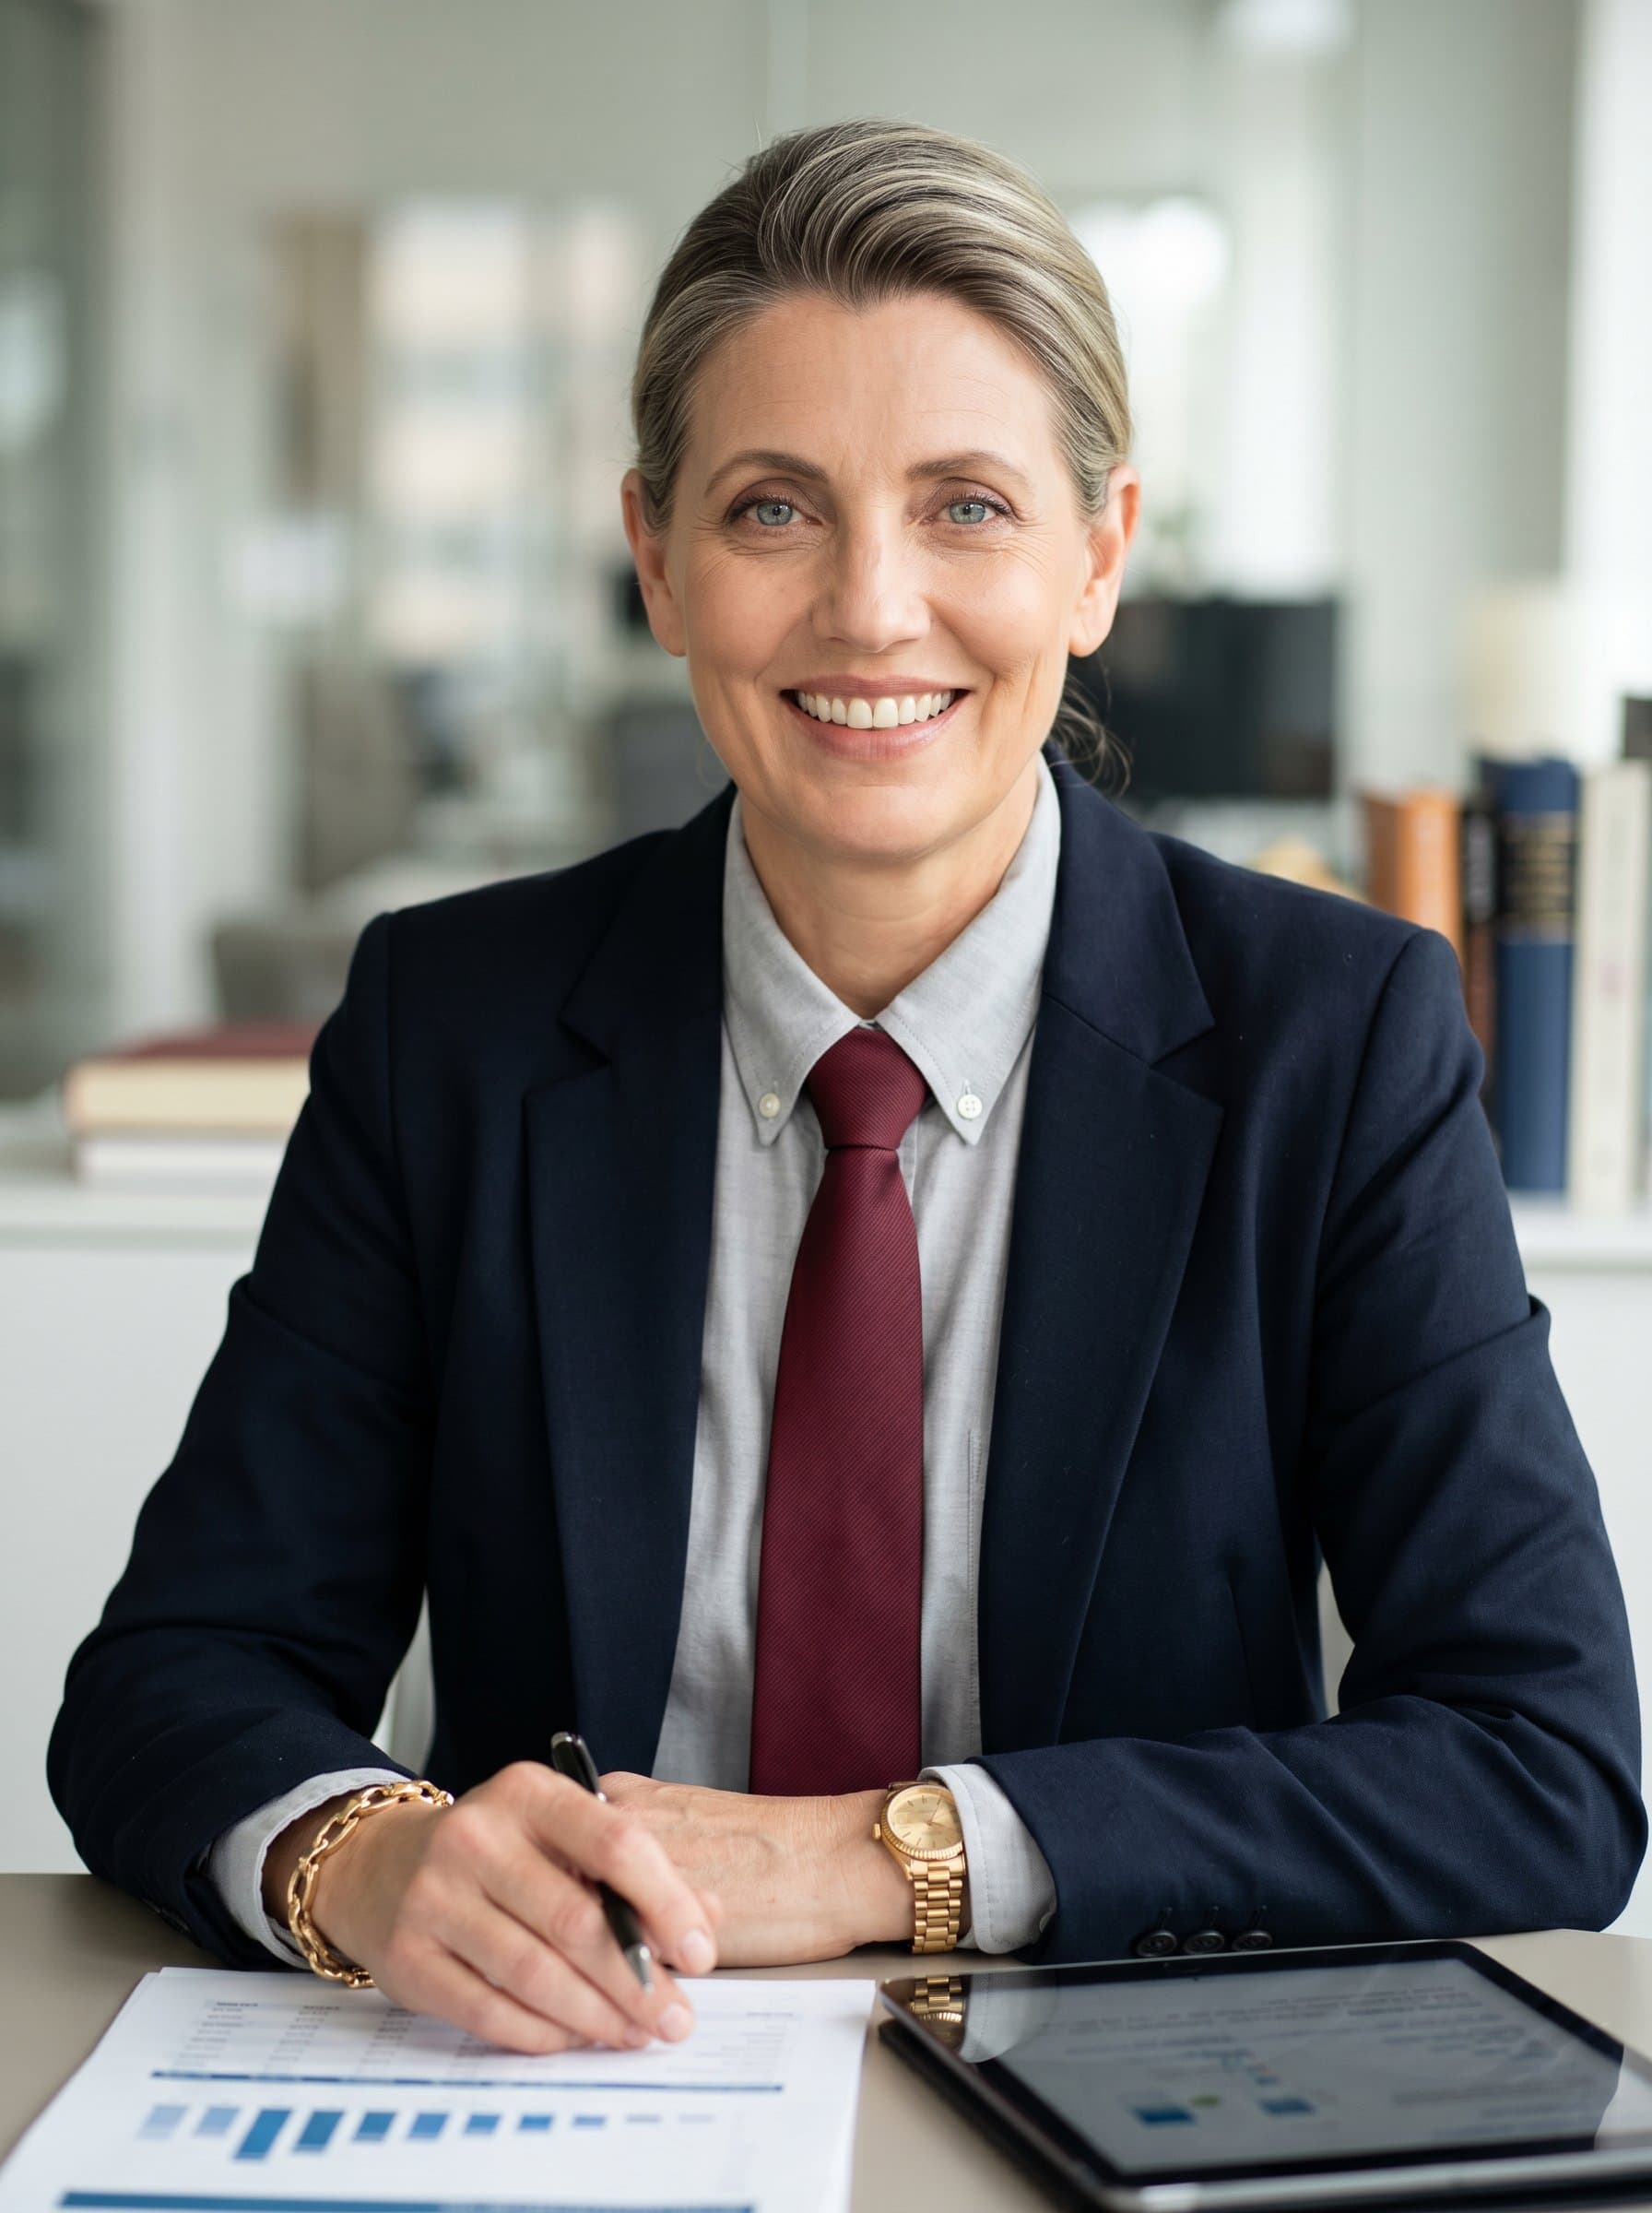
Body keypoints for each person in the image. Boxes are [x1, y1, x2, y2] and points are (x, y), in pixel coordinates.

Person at [50, 118, 1644, 2062]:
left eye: (965, 505)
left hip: (1121, 2094)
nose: (870, 610)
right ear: (654, 556)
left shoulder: (1337, 1034)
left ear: (1097, 558)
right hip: (563, 2103)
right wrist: (362, 1858)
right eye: (772, 509)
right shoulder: (446, 1025)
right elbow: (177, 1675)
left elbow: (1533, 1761)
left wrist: (893, 1859)